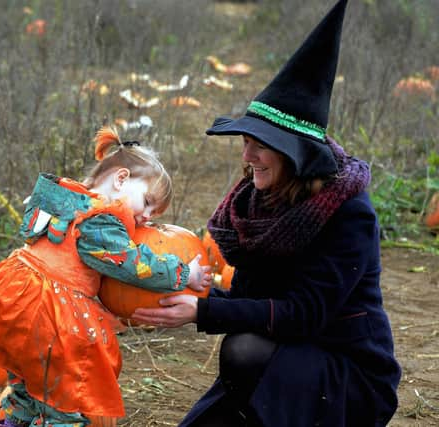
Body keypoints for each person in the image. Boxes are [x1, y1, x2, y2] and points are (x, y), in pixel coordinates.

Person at [131, 1, 401, 426]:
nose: (248, 154)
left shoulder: (350, 214)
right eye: (245, 141)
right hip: (287, 359)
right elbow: (248, 301)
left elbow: (302, 314)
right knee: (240, 356)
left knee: (242, 348)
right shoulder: (260, 204)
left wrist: (202, 313)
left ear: (297, 155)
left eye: (261, 144)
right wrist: (172, 296)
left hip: (346, 374)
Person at [0, 126, 212, 427]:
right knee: (63, 401)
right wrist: (184, 274)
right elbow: (132, 263)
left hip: (13, 296)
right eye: (149, 202)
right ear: (122, 178)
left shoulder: (67, 200)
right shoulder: (101, 219)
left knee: (26, 388)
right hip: (47, 310)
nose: (149, 216)